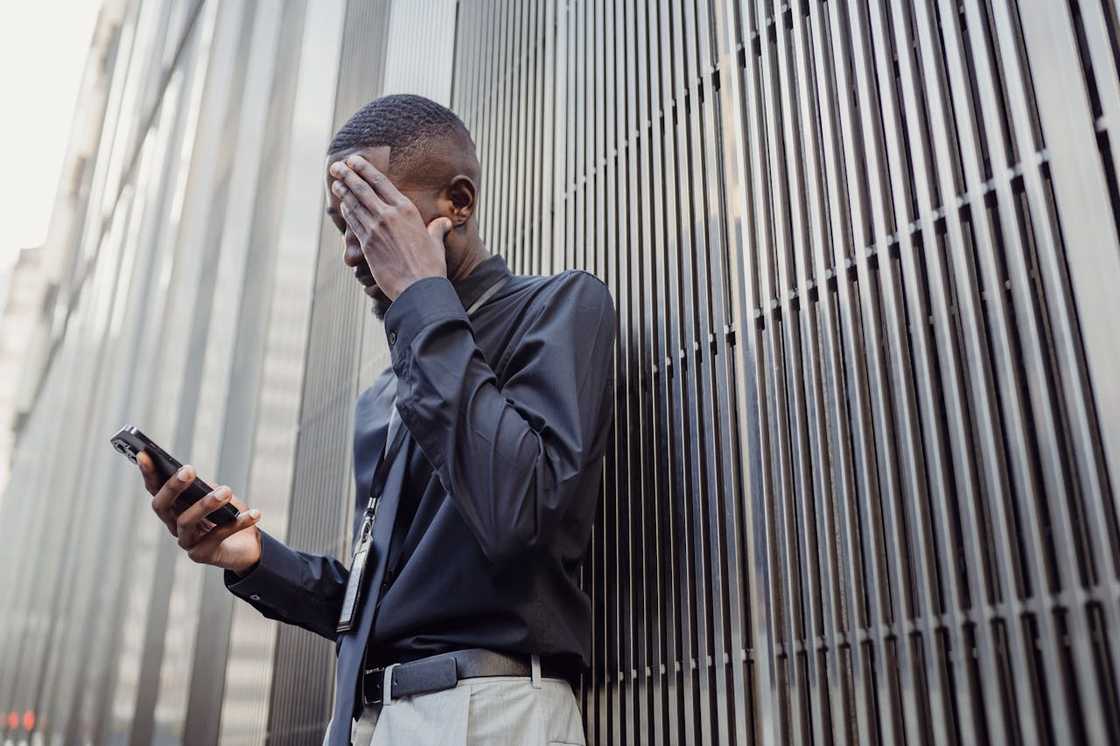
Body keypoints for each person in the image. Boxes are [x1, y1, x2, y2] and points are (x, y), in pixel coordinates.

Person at [135, 94, 616, 745]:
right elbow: (380, 603)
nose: (354, 252)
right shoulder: (386, 393)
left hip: (489, 710)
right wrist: (252, 559)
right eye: (343, 224)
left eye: (372, 214)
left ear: (458, 204)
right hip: (377, 718)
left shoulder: (557, 308)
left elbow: (519, 514)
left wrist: (421, 297)